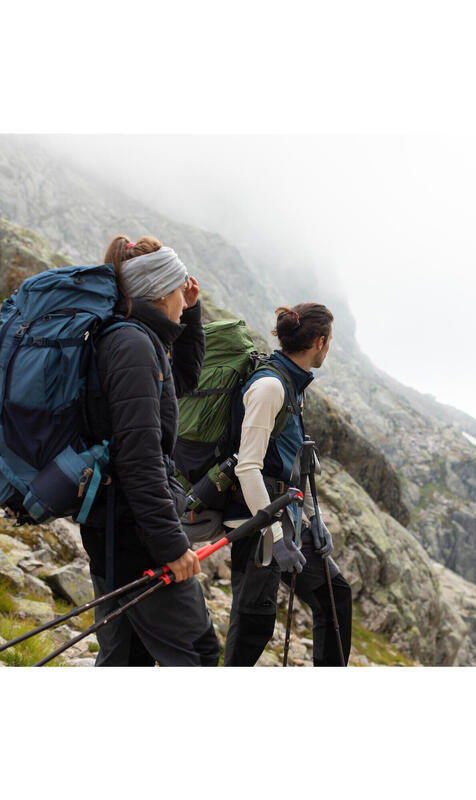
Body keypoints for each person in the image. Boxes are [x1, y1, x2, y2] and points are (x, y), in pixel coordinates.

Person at [79, 234, 220, 666]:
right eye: (180, 291)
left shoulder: (137, 340)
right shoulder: (134, 347)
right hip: (135, 536)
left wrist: (192, 314)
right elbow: (139, 460)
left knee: (126, 659)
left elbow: (182, 384)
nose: (184, 298)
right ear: (159, 290)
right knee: (196, 652)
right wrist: (172, 548)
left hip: (113, 527)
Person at [223, 303, 352, 666]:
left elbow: (294, 461)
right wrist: (276, 540)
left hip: (287, 518)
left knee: (335, 595)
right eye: (330, 342)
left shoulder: (292, 382)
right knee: (254, 624)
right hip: (258, 522)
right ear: (321, 342)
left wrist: (315, 520)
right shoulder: (269, 387)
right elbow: (247, 468)